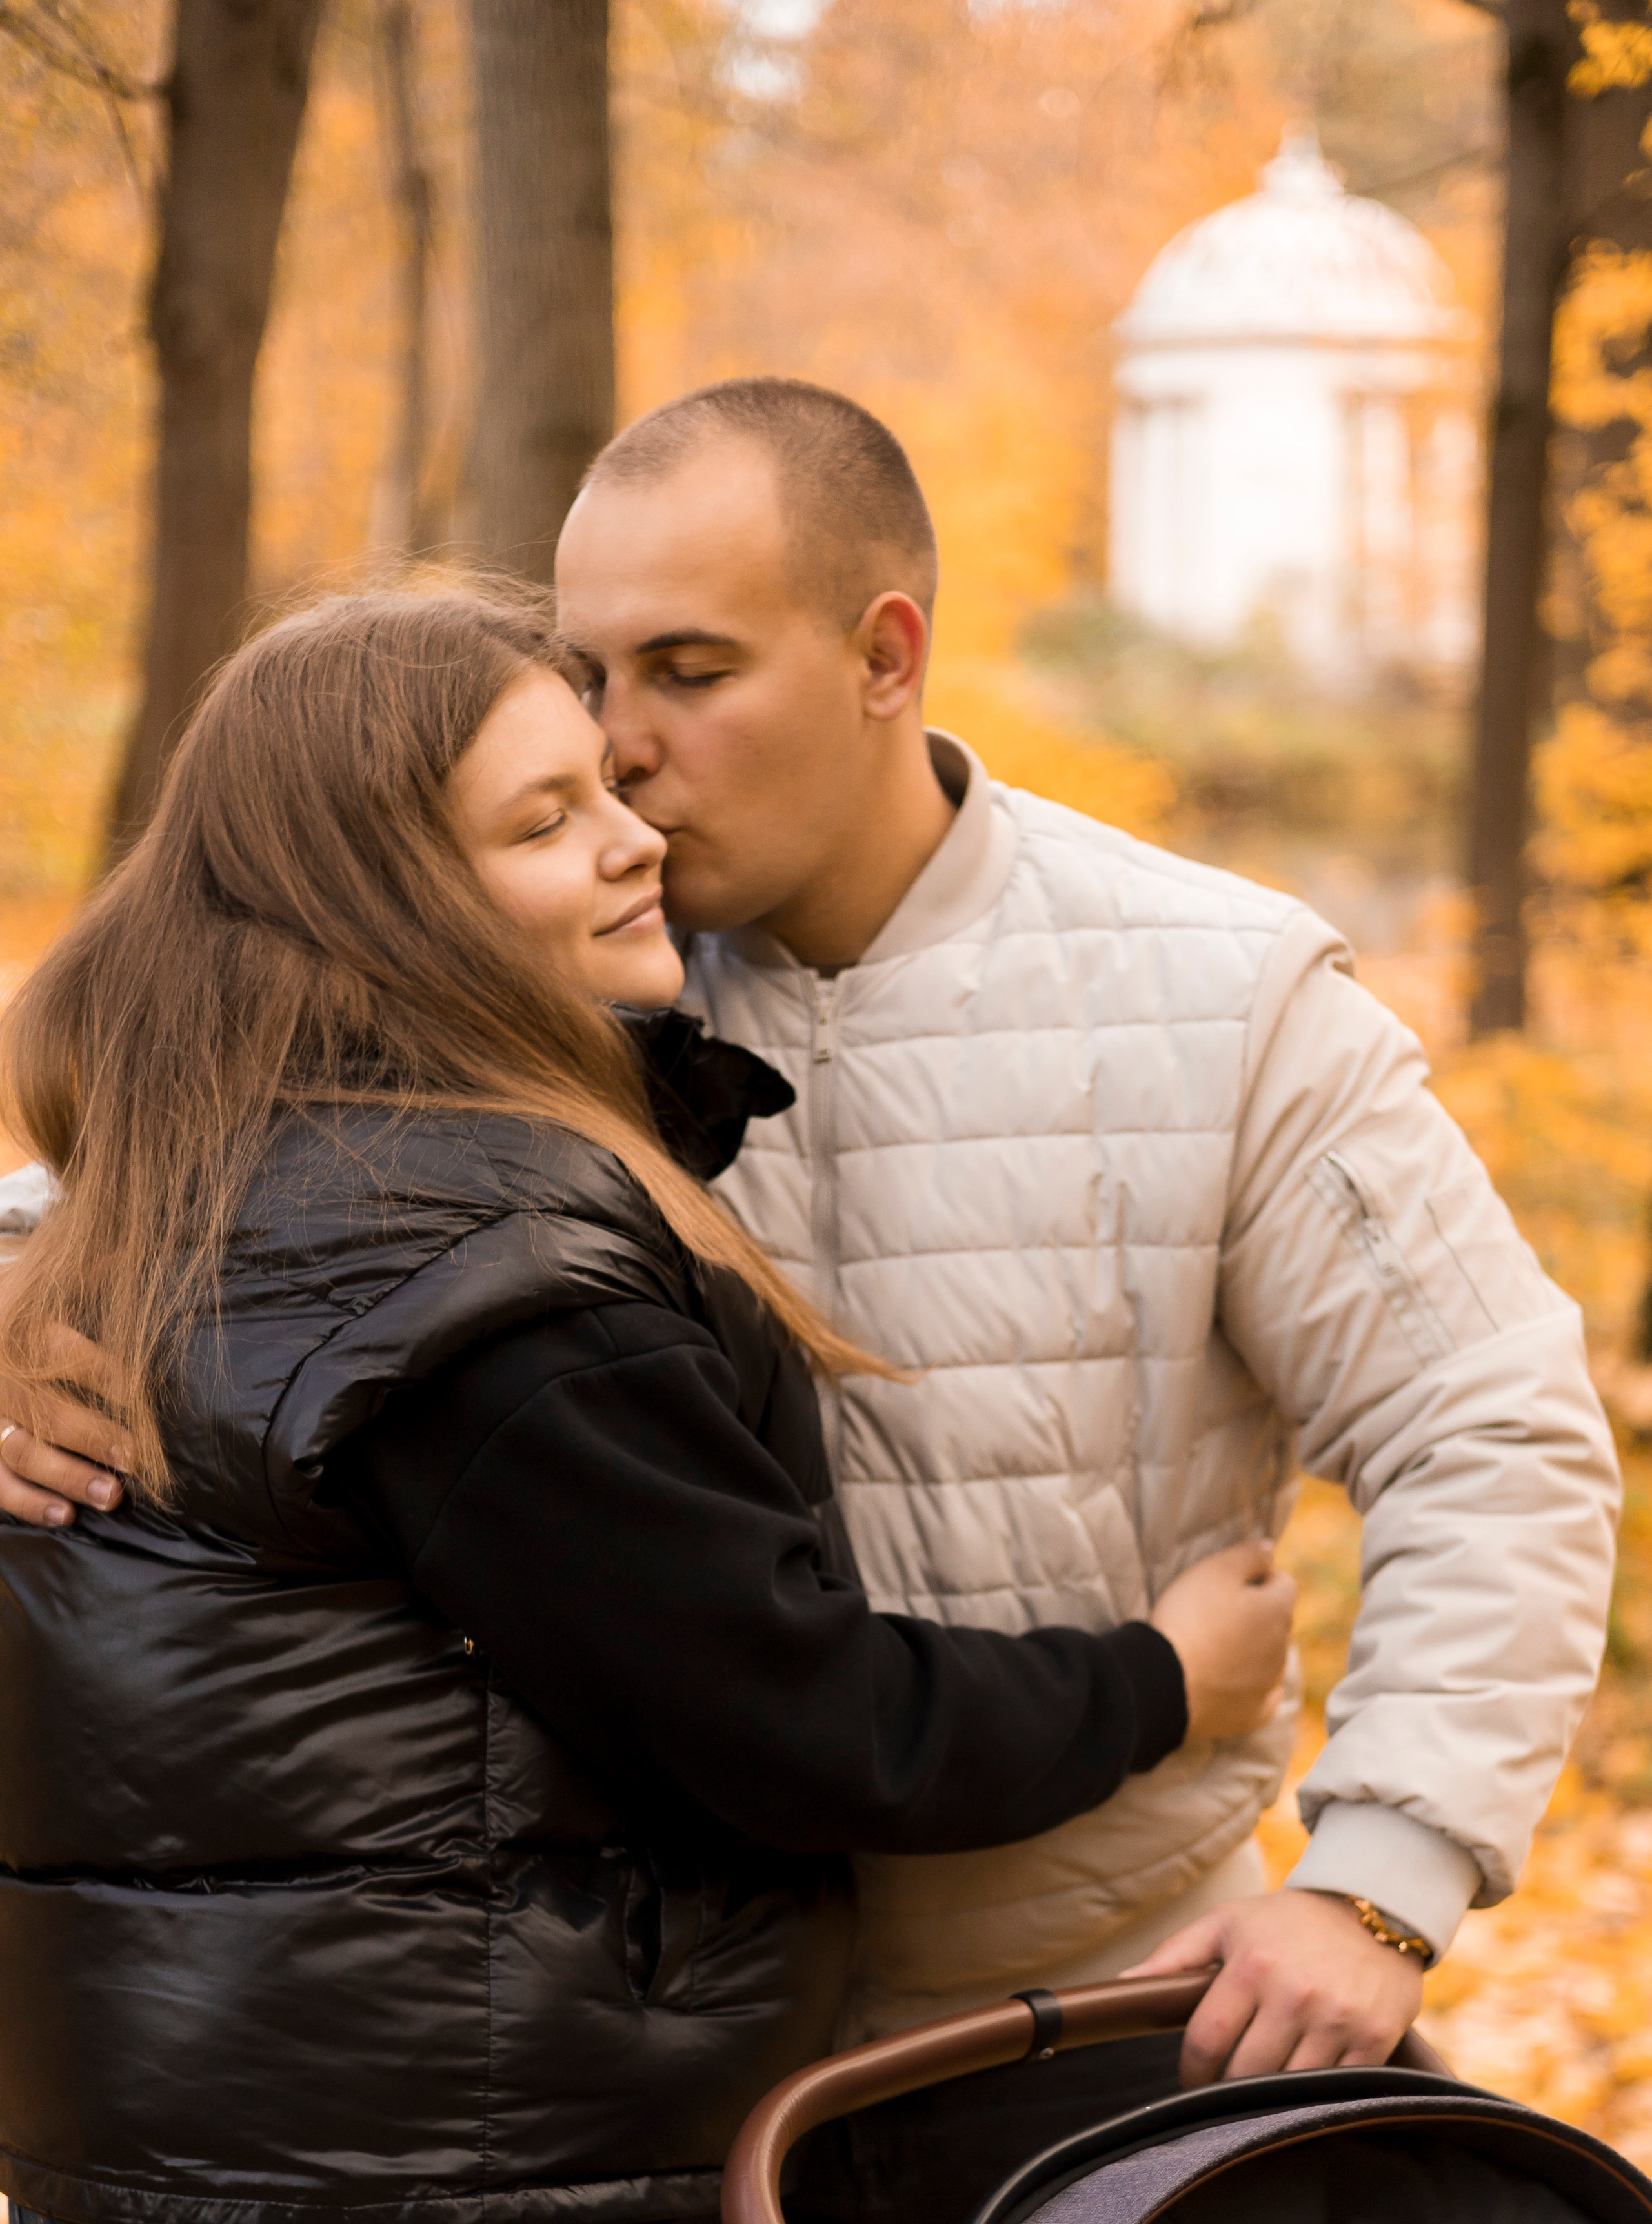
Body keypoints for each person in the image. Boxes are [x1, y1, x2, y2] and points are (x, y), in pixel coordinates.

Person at [3, 378, 1621, 2216]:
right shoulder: (521, 972)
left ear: (884, 655)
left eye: (689, 673)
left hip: (1092, 2038)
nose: (622, 752)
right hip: (641, 2107)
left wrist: (1375, 1887)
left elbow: (1490, 1433)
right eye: (588, 678)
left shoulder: (1217, 995)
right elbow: (179, 1179)